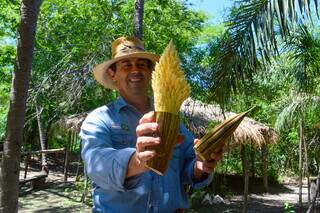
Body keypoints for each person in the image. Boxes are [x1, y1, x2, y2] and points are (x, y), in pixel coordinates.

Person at [80, 36, 224, 213]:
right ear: (113, 74)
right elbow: (97, 168)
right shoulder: (100, 119)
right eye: (126, 65)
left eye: (142, 64)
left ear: (150, 72)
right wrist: (138, 160)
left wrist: (200, 167)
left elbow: (190, 167)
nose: (135, 70)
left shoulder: (174, 123)